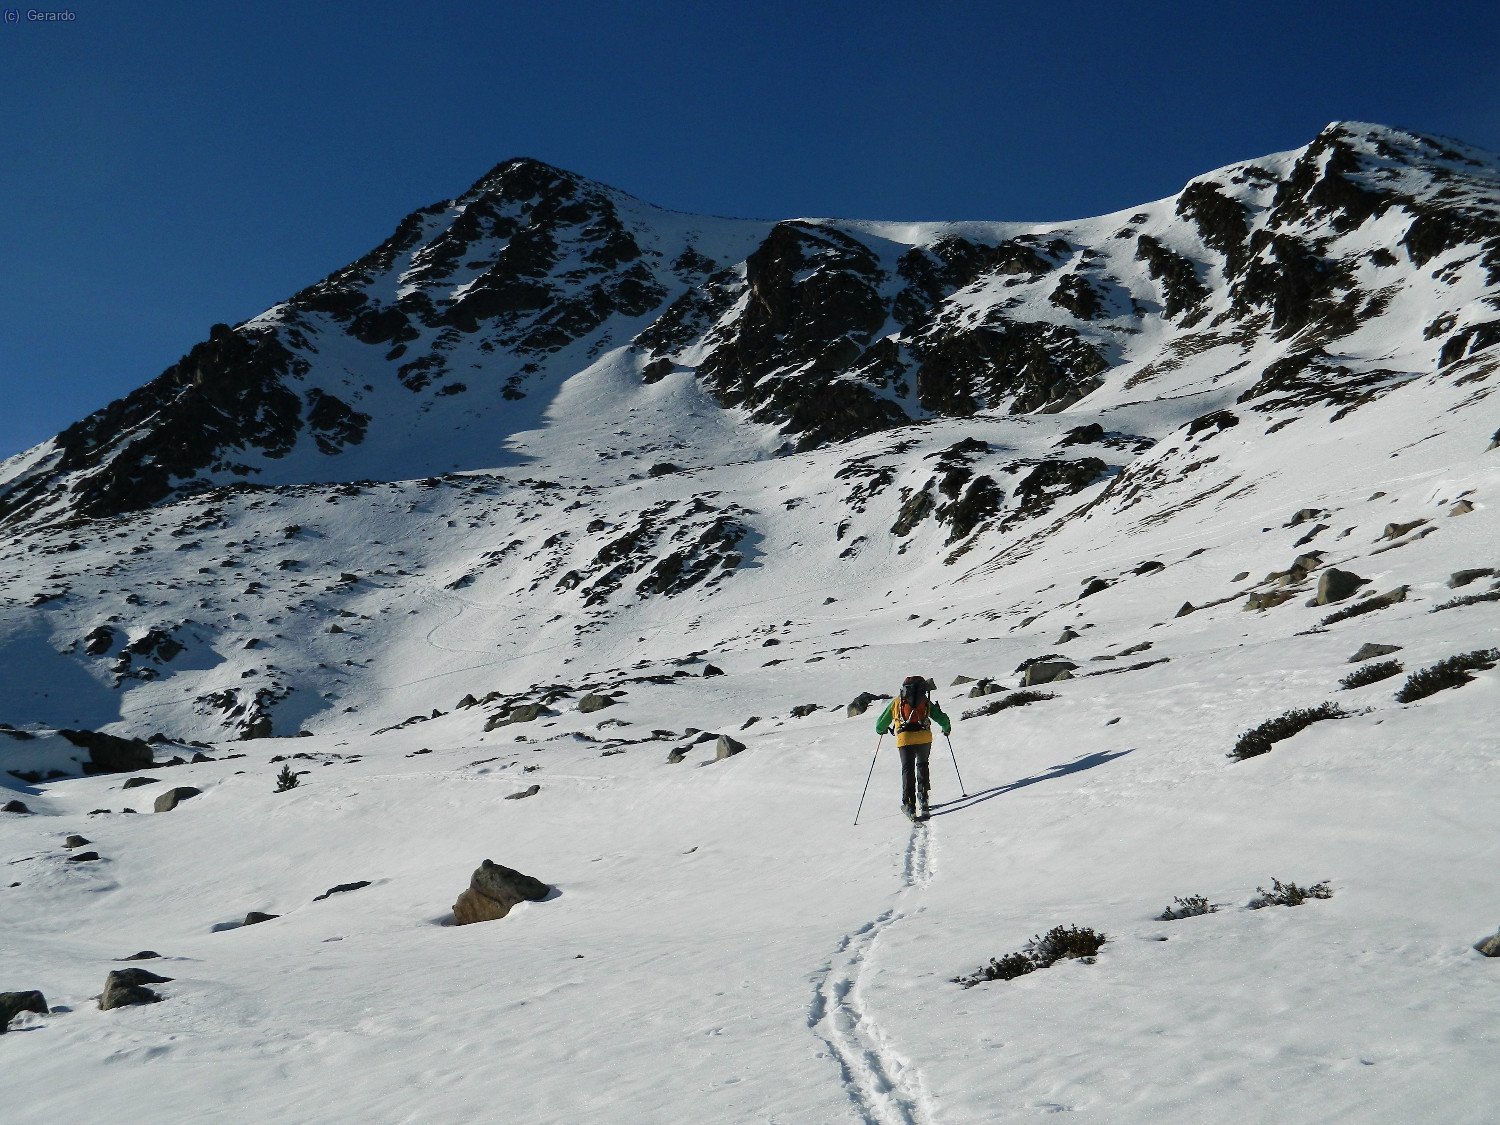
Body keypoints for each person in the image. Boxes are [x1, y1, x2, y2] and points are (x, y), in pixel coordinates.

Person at [874, 676, 952, 819]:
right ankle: (923, 799)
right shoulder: (924, 701)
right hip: (924, 738)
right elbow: (941, 718)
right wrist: (946, 728)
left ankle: (909, 805)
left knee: (907, 770)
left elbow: (880, 724)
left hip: (905, 739)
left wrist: (881, 730)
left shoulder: (897, 702)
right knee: (922, 765)